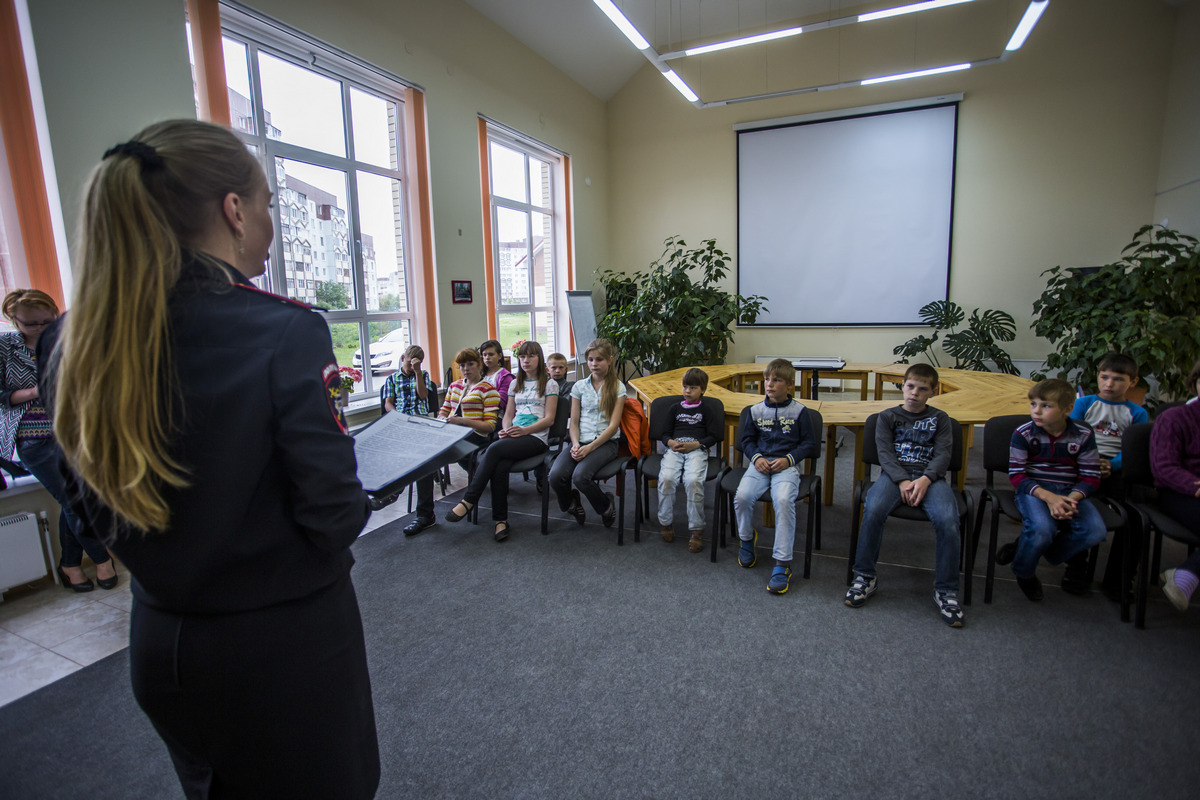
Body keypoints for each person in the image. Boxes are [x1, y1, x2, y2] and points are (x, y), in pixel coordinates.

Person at [43, 120, 378, 799]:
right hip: (283, 649)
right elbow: (334, 512)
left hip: (163, 642)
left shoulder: (78, 342)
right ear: (233, 210)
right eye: (267, 207)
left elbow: (81, 496)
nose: (268, 223)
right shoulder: (282, 330)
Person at [1, 290, 118, 592]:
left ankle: (70, 565)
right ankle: (102, 561)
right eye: (31, 324)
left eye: (46, 321)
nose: (40, 328)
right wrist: (38, 389)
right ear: (14, 320)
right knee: (75, 500)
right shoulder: (4, 347)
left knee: (74, 499)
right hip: (33, 438)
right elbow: (3, 397)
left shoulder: (67, 338)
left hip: (72, 429)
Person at [844, 364, 963, 626]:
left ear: (932, 391)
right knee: (873, 509)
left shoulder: (940, 419)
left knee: (947, 519)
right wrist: (901, 481)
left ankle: (946, 589)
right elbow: (884, 453)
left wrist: (924, 479)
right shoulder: (887, 417)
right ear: (902, 386)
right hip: (894, 476)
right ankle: (864, 576)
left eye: (922, 389)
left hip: (930, 478)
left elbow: (943, 454)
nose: (914, 393)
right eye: (910, 386)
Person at [445, 341, 558, 541]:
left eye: (531, 356)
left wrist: (523, 431)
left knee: (494, 450)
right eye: (522, 357)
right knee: (499, 466)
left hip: (536, 438)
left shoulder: (550, 384)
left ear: (539, 358)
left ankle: (469, 500)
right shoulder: (516, 383)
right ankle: (500, 521)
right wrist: (506, 429)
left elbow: (549, 419)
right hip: (514, 436)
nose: (526, 361)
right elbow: (507, 415)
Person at [1008, 378, 1106, 601]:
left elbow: (1091, 475)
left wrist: (1071, 498)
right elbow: (1017, 476)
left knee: (1095, 531)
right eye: (1033, 404)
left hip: (1070, 489)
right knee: (1042, 529)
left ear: (1068, 409)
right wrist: (1050, 498)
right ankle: (1024, 571)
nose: (1037, 411)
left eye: (1046, 405)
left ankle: (1029, 547)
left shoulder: (1083, 434)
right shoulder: (1023, 433)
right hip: (1034, 489)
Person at [733, 358, 819, 595]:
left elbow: (809, 444)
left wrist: (789, 460)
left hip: (786, 466)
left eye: (777, 380)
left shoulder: (800, 412)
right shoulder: (755, 410)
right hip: (759, 464)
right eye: (767, 379)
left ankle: (782, 563)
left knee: (782, 500)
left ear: (790, 385)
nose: (770, 384)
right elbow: (746, 441)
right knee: (742, 496)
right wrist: (757, 457)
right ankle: (747, 539)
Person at [402, 347, 499, 536]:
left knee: (429, 454)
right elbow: (443, 412)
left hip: (476, 437)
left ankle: (418, 509)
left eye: (470, 364)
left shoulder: (489, 389)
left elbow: (489, 427)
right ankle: (425, 515)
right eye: (462, 365)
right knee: (424, 456)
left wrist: (461, 421)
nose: (466, 369)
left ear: (479, 365)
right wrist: (441, 423)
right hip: (451, 433)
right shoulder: (455, 386)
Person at [549, 338, 623, 527]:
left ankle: (606, 506)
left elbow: (613, 426)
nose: (594, 364)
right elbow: (573, 422)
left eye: (599, 359)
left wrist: (589, 448)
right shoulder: (579, 387)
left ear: (610, 360)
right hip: (580, 441)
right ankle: (571, 503)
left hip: (606, 443)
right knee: (555, 476)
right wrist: (575, 444)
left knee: (580, 477)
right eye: (590, 360)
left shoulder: (617, 387)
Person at [1150, 359, 1200, 611]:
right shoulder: (1175, 418)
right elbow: (1164, 468)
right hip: (1180, 492)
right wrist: (1196, 486)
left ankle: (1186, 574)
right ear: (1195, 383)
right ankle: (1186, 575)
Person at [656, 368, 721, 554]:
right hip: (675, 449)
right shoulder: (675, 408)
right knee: (667, 479)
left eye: (693, 387)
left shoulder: (706, 409)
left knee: (693, 481)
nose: (687, 391)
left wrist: (697, 445)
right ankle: (666, 523)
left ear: (703, 389)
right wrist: (670, 442)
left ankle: (696, 529)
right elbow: (665, 433)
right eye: (685, 387)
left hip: (697, 450)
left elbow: (714, 436)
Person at [382, 344, 432, 415]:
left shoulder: (423, 375)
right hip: (401, 414)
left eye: (416, 364)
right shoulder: (391, 379)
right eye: (410, 364)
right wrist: (396, 415)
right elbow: (388, 403)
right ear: (403, 358)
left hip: (420, 414)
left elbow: (423, 396)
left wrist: (418, 372)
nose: (412, 368)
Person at [479, 338, 514, 414]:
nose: (487, 357)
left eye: (491, 354)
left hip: (496, 415)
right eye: (484, 355)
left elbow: (500, 402)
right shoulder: (480, 374)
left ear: (499, 356)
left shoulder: (506, 377)